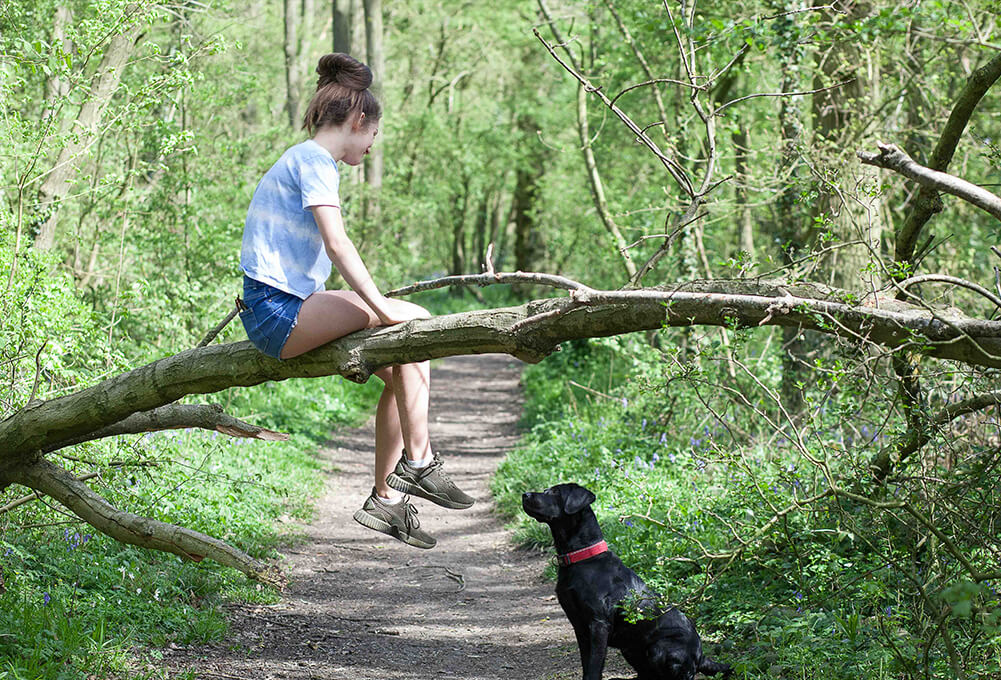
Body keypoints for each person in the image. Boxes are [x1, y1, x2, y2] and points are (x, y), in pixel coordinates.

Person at [237, 53, 473, 549]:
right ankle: (421, 463)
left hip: (286, 307)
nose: (370, 147)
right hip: (277, 313)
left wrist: (377, 310)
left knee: (405, 366)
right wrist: (381, 308)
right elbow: (338, 244)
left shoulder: (306, 160)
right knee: (414, 321)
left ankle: (386, 499)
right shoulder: (315, 162)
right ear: (358, 121)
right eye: (372, 137)